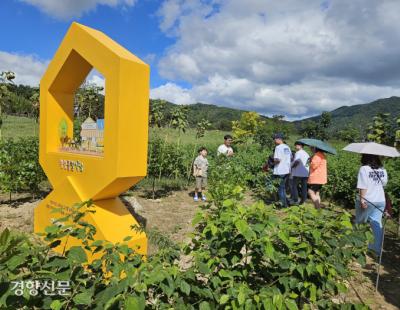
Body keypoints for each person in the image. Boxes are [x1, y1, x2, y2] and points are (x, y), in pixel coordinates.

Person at [355, 154, 388, 256]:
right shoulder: (382, 169)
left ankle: (357, 247)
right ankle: (376, 250)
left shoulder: (364, 169)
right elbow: (384, 183)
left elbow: (362, 186)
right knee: (377, 223)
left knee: (360, 223)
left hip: (368, 199)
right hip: (380, 200)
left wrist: (362, 200)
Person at [272, 133, 291, 207]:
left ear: (278, 139)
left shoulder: (278, 147)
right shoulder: (287, 147)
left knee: (280, 189)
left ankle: (283, 205)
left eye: (275, 139)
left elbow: (278, 160)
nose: (274, 140)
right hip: (286, 170)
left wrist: (273, 162)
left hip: (280, 170)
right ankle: (285, 203)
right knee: (283, 188)